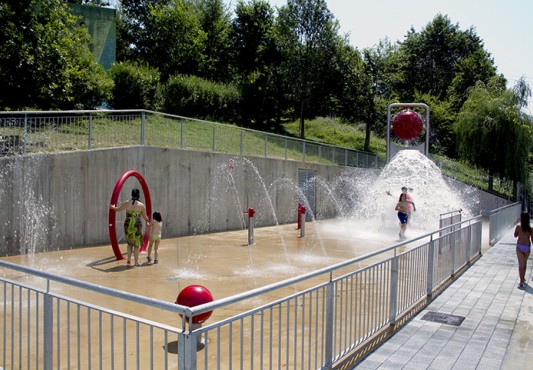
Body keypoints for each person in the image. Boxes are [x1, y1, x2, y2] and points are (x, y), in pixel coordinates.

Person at [110, 188, 150, 267]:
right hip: (136, 226)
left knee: (129, 244)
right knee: (136, 245)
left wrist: (113, 207)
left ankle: (128, 259)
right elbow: (145, 217)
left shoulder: (126, 203)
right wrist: (148, 220)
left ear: (132, 194)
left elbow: (118, 209)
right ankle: (136, 262)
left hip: (128, 225)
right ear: (138, 195)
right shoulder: (141, 206)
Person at [513, 211, 532, 289]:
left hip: (520, 247)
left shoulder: (518, 226)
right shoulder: (530, 229)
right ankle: (523, 278)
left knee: (520, 265)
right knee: (524, 263)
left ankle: (521, 281)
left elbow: (515, 235)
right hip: (527, 247)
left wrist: (519, 233)